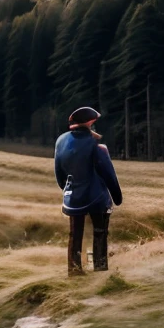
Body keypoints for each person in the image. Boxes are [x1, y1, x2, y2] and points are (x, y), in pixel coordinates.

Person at [54, 106, 122, 276]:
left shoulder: (60, 142)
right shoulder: (97, 146)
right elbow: (108, 175)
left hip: (73, 198)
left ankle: (74, 270)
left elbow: (59, 174)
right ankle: (100, 269)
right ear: (90, 124)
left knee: (74, 234)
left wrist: (69, 190)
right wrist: (117, 197)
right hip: (97, 198)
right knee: (100, 232)